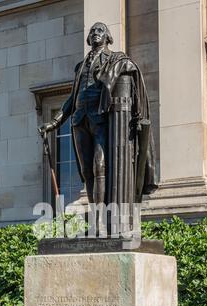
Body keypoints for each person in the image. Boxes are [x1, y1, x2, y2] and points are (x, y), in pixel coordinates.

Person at [39, 22, 158, 232]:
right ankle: (95, 218)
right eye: (92, 31)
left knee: (99, 165)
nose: (95, 33)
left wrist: (126, 68)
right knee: (87, 171)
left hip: (102, 119)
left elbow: (130, 70)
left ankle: (103, 221)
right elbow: (72, 99)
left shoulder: (115, 59)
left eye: (100, 30)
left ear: (108, 37)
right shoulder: (80, 66)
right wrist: (55, 121)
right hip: (79, 120)